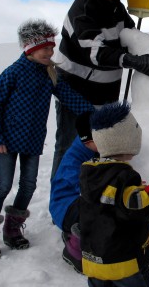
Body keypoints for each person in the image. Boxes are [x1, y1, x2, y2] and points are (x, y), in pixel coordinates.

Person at [0, 19, 94, 259]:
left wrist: (95, 114)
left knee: (29, 185)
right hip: (7, 142)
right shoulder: (12, 73)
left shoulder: (49, 74)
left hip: (32, 141)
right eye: (46, 48)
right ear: (31, 49)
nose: (50, 52)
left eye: (52, 48)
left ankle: (12, 229)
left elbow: (69, 97)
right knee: (3, 185)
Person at [51, 0, 149, 180]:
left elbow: (127, 34)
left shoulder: (115, 6)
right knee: (70, 145)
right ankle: (62, 204)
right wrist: (132, 61)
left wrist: (144, 49)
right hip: (76, 89)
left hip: (106, 90)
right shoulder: (84, 8)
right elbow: (95, 53)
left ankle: (91, 199)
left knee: (103, 145)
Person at [78, 102, 149, 287]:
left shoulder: (91, 172)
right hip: (121, 259)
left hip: (95, 258)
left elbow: (115, 204)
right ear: (125, 141)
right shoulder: (122, 176)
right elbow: (139, 206)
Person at [49, 112, 97, 273]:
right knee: (97, 207)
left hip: (75, 202)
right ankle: (73, 248)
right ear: (87, 140)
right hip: (63, 207)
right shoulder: (73, 161)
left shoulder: (91, 150)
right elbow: (85, 188)